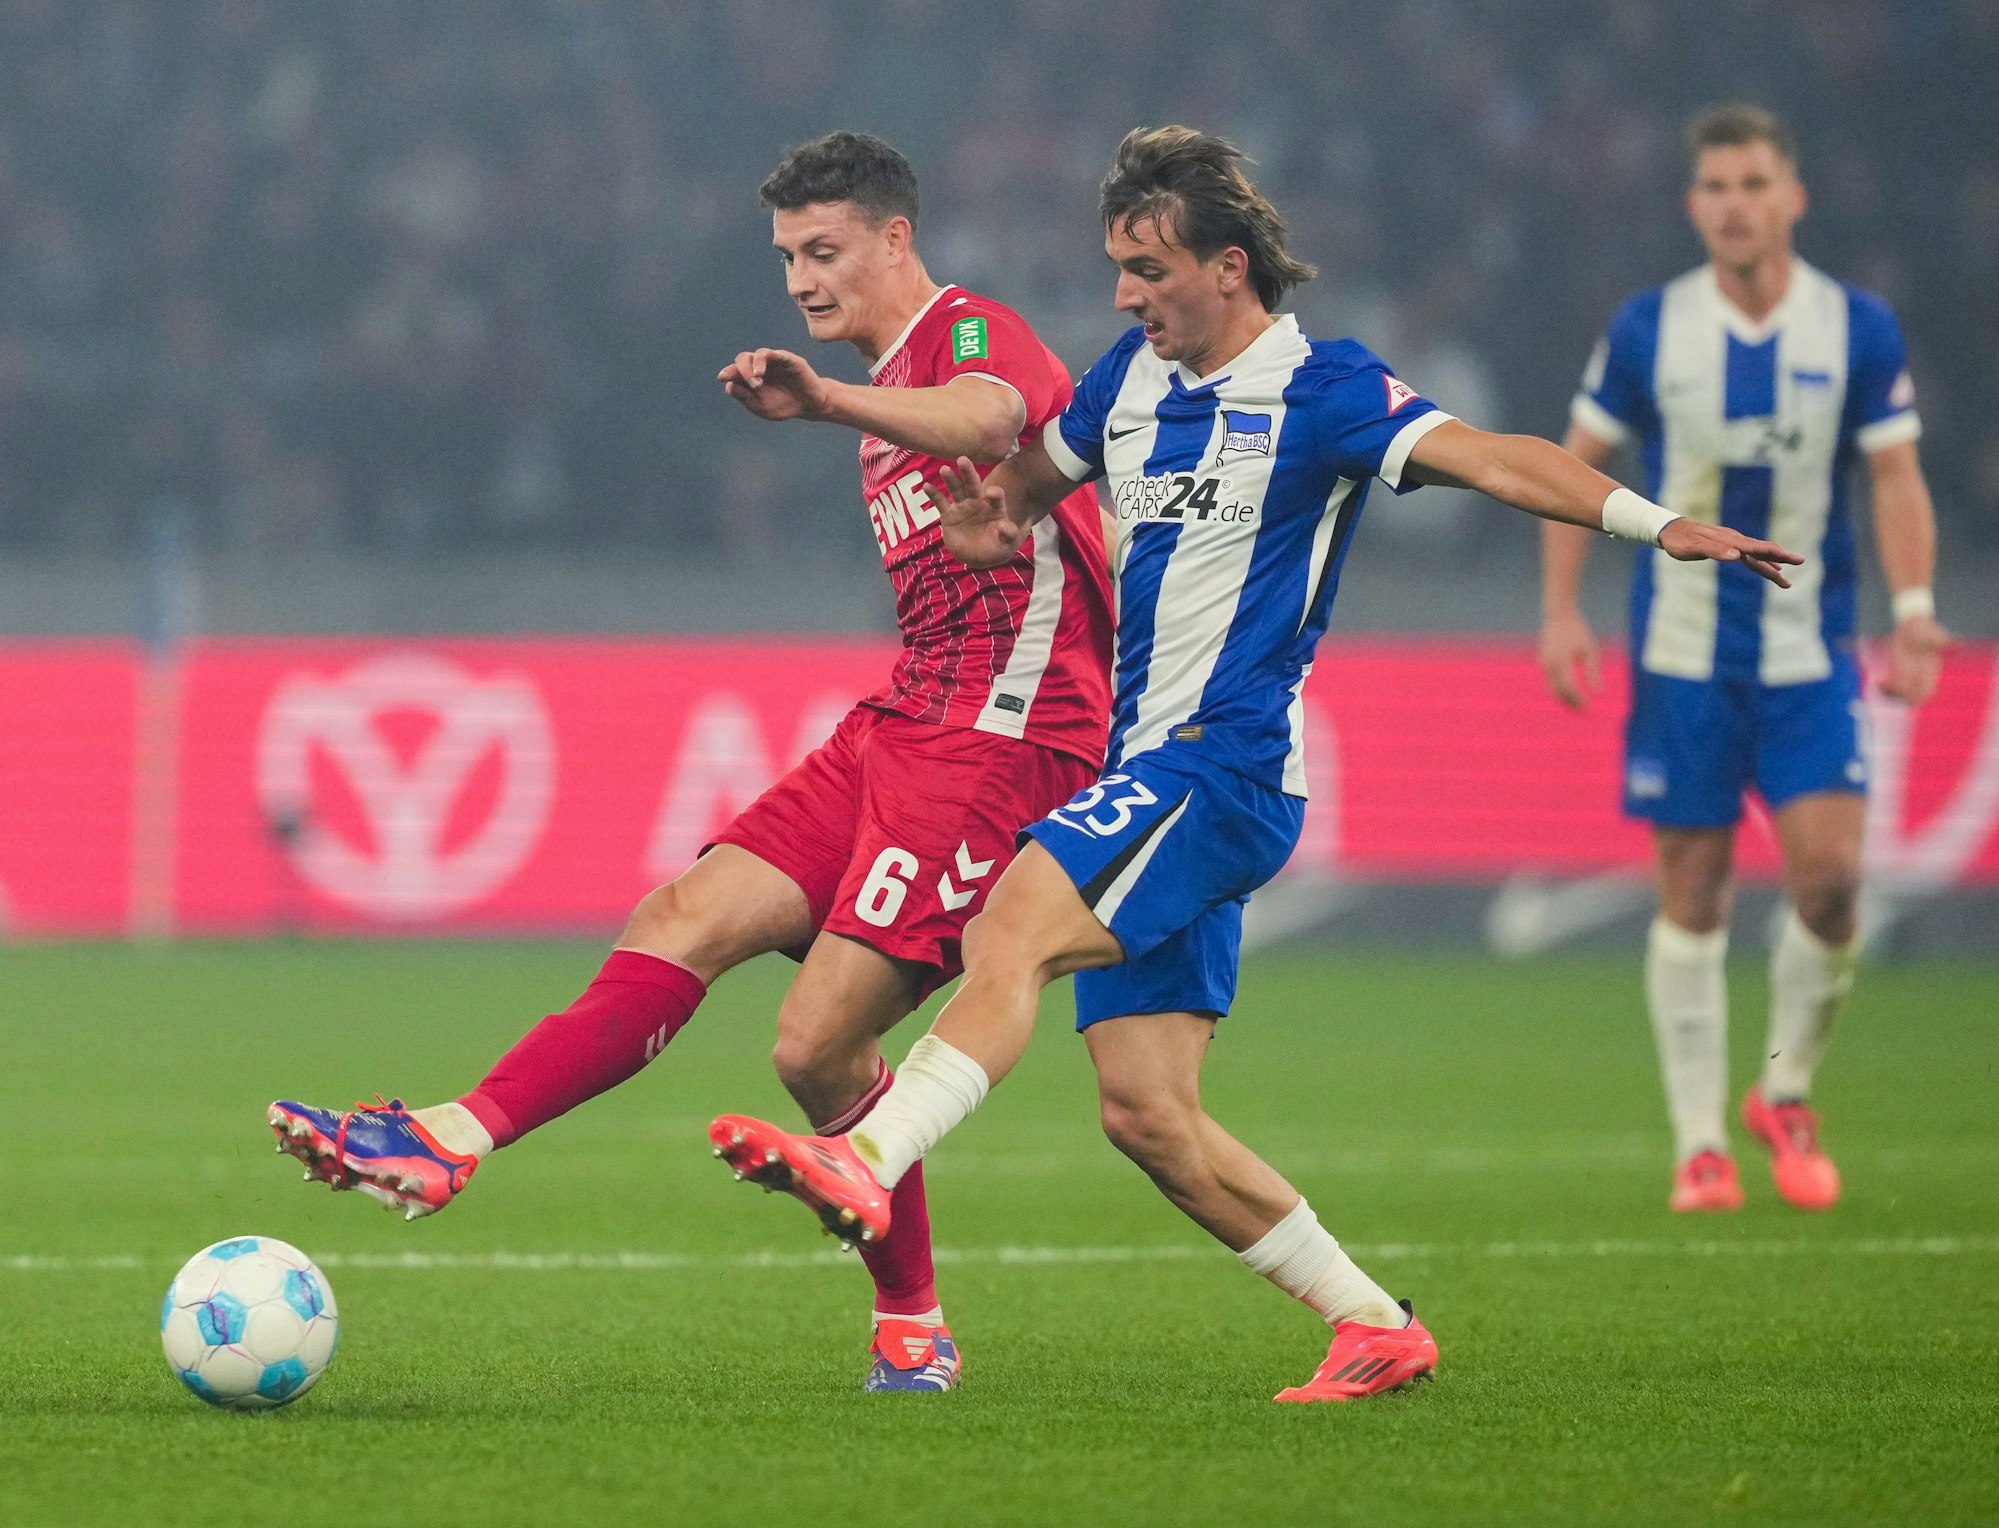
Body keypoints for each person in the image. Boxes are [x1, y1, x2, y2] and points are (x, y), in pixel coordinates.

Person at [709, 125, 1798, 1403]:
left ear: (1228, 269)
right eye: (1116, 267)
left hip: (1218, 771)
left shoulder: (1326, 391)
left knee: (1013, 918)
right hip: (1143, 764)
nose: (1123, 295)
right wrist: (986, 524)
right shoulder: (1127, 384)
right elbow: (1017, 492)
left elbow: (1497, 460)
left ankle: (869, 1156)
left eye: (1148, 270)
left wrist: (1656, 525)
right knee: (1147, 1115)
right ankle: (1372, 1322)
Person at [267, 131, 1113, 1393]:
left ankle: (913, 1320)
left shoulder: (966, 330)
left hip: (1006, 739)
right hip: (907, 717)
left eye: (823, 251)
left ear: (894, 239)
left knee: (814, 1047)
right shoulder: (880, 382)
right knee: (685, 910)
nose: (800, 281)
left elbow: (997, 415)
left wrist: (825, 399)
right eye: (784, 257)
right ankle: (452, 1135)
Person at [1538, 105, 1947, 1216]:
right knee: (1695, 888)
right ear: (1694, 205)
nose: (1733, 203)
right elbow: (1576, 467)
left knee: (1828, 884)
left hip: (1809, 655)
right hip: (1680, 653)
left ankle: (1786, 1092)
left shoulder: (1854, 327)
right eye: (1714, 186)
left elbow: (1895, 477)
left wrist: (1913, 609)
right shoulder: (1647, 330)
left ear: (1791, 196)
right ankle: (1696, 1145)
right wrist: (1561, 608)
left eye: (1753, 183)